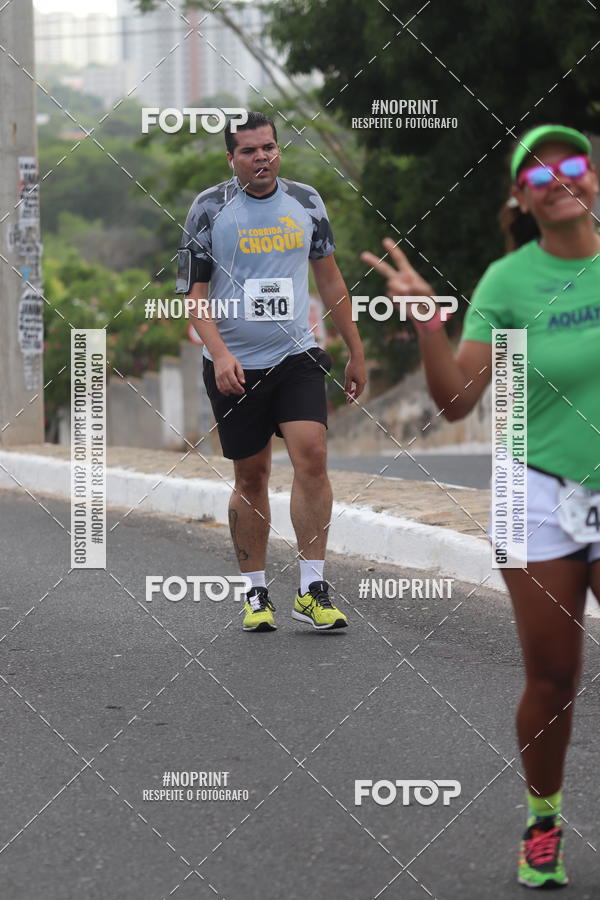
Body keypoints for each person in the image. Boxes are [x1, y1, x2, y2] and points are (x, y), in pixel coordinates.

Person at [362, 124, 600, 889]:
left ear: (594, 176)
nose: (560, 180)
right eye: (539, 175)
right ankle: (543, 820)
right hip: (537, 492)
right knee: (553, 678)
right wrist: (428, 321)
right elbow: (457, 400)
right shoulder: (507, 282)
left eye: (573, 164)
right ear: (521, 199)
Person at [178, 111, 366, 632]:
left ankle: (312, 588)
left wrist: (356, 350)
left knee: (313, 456)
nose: (262, 157)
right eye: (249, 150)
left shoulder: (306, 202)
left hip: (295, 356)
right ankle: (256, 593)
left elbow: (330, 280)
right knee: (252, 475)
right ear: (231, 158)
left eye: (269, 147)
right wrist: (220, 354)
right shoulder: (209, 208)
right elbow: (194, 296)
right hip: (235, 365)